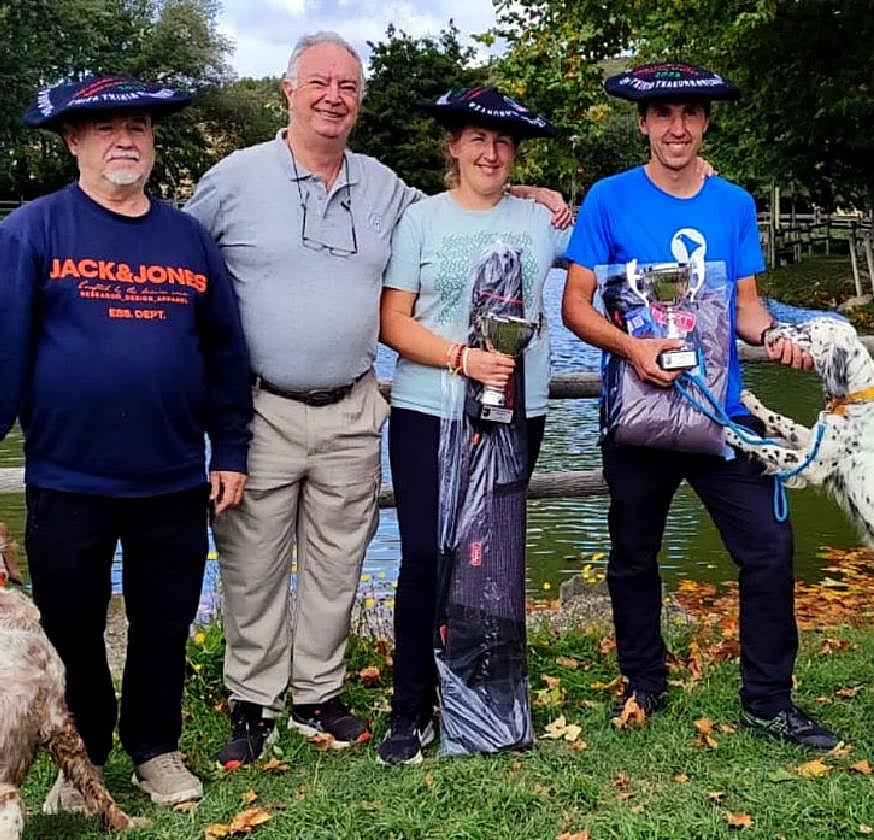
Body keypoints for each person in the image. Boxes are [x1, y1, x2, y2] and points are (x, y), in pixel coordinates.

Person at [186, 32, 571, 770]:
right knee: (254, 558)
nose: (335, 96)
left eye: (349, 86)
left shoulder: (385, 188)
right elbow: (180, 251)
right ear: (289, 90)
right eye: (321, 83)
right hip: (263, 404)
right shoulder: (236, 178)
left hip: (352, 405)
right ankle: (252, 701)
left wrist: (528, 195)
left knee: (338, 559)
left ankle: (320, 694)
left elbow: (473, 202)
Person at [560, 62, 839, 750]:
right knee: (632, 556)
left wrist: (774, 335)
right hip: (639, 412)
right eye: (663, 115)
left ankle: (768, 700)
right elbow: (574, 306)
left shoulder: (734, 204)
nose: (676, 127)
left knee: (770, 550)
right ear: (644, 124)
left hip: (721, 415)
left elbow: (746, 308)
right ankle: (644, 683)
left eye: (689, 114)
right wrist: (631, 347)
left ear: (705, 122)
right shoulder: (607, 200)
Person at [0, 76, 252, 807]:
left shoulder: (190, 240)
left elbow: (225, 356)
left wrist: (229, 449)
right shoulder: (32, 232)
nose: (125, 140)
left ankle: (157, 752)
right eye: (106, 128)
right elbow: (5, 357)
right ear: (73, 141)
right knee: (72, 628)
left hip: (172, 477)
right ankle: (85, 765)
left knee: (163, 624)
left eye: (138, 126)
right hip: (68, 477)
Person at [376, 86, 568, 764]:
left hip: (517, 415)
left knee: (492, 562)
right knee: (429, 556)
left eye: (504, 141)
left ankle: (487, 702)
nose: (491, 150)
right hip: (432, 409)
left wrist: (545, 194)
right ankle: (411, 710)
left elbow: (609, 249)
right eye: (476, 138)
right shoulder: (420, 221)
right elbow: (392, 322)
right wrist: (461, 358)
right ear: (452, 146)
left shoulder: (542, 221)